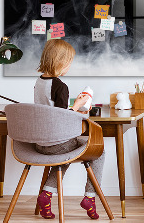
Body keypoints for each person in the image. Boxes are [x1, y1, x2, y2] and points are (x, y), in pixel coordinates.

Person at [34, 39, 104, 220]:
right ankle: (90, 197)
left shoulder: (39, 82)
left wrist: (74, 106)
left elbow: (51, 111)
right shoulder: (60, 86)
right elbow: (62, 118)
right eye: (69, 62)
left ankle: (46, 195)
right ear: (61, 62)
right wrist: (79, 105)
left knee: (64, 154)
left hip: (40, 143)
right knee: (99, 151)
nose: (69, 66)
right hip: (57, 143)